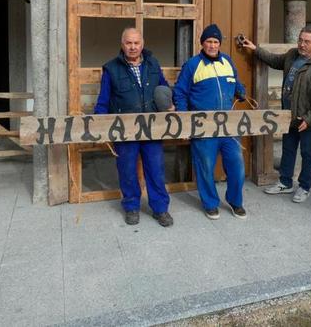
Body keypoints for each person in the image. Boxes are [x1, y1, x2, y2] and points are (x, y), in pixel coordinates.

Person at [241, 26, 311, 203]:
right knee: (288, 150)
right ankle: (285, 182)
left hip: (307, 120)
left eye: (307, 42)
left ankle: (304, 187)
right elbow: (275, 61)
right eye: (300, 40)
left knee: (308, 154)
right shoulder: (292, 55)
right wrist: (255, 49)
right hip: (288, 116)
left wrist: (309, 118)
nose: (302, 44)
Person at [94, 27, 173, 227]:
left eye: (136, 43)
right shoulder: (111, 68)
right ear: (122, 44)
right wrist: (99, 124)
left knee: (156, 169)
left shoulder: (153, 64)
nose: (133, 47)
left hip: (151, 128)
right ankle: (131, 207)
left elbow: (164, 88)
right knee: (127, 170)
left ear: (142, 44)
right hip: (124, 130)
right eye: (128, 43)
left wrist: (171, 105)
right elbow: (103, 99)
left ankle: (160, 209)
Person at [173, 24, 248, 220]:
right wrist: (184, 118)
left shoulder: (228, 62)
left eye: (215, 42)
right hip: (203, 126)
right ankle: (210, 203)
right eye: (209, 41)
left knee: (237, 165)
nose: (212, 45)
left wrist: (240, 90)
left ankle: (235, 201)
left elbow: (236, 82)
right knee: (205, 166)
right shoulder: (192, 65)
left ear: (219, 44)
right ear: (202, 43)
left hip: (228, 125)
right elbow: (180, 92)